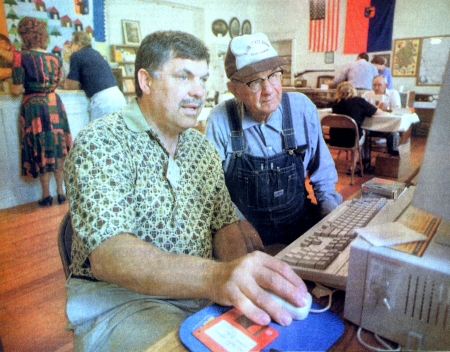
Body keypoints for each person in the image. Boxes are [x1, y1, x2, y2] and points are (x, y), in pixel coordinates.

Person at [63, 30, 310, 351]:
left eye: (202, 79)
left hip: (200, 296)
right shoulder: (103, 140)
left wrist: (243, 282)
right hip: (124, 303)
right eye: (183, 77)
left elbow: (224, 225)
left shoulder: (199, 147)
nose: (197, 91)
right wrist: (217, 277)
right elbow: (111, 256)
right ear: (146, 81)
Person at [206, 33, 342, 247]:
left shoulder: (301, 109)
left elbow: (322, 173)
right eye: (254, 82)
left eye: (273, 75)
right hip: (247, 237)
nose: (269, 89)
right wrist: (237, 222)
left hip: (300, 228)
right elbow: (212, 190)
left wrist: (331, 215)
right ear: (234, 89)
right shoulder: (220, 119)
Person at [6, 17, 72, 206]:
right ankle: (61, 192)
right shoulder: (55, 58)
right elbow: (59, 82)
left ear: (24, 37)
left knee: (42, 147)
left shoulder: (20, 57)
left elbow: (17, 89)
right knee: (58, 147)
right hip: (54, 103)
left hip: (34, 106)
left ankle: (46, 195)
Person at [63, 31, 126, 120]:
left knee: (100, 133)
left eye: (72, 44)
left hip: (103, 102)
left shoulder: (76, 55)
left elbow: (71, 86)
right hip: (118, 97)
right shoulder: (96, 53)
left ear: (79, 44)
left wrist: (60, 83)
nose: (70, 47)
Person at [331, 82, 387, 170]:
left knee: (352, 132)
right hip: (352, 139)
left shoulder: (335, 104)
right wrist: (379, 107)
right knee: (362, 131)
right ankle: (353, 166)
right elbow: (379, 113)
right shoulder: (359, 101)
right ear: (353, 90)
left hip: (335, 139)